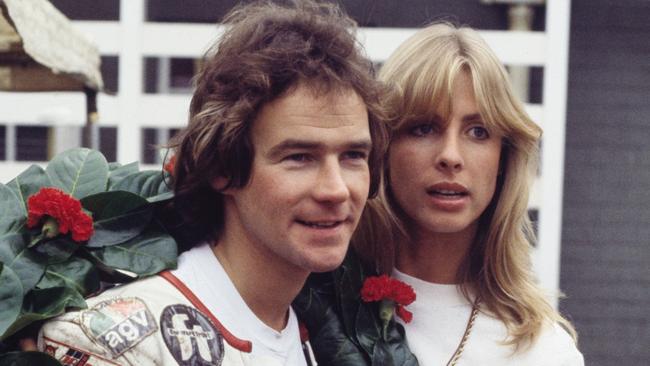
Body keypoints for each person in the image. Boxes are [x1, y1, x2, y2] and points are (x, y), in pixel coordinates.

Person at [36, 1, 389, 365]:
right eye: (299, 157)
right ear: (223, 169)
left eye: (353, 156)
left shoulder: (306, 334)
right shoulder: (112, 342)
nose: (335, 190)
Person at [297, 22, 584, 365]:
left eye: (478, 132)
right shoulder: (304, 296)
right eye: (423, 128)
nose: (450, 155)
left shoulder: (541, 351)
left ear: (504, 158)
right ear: (382, 147)